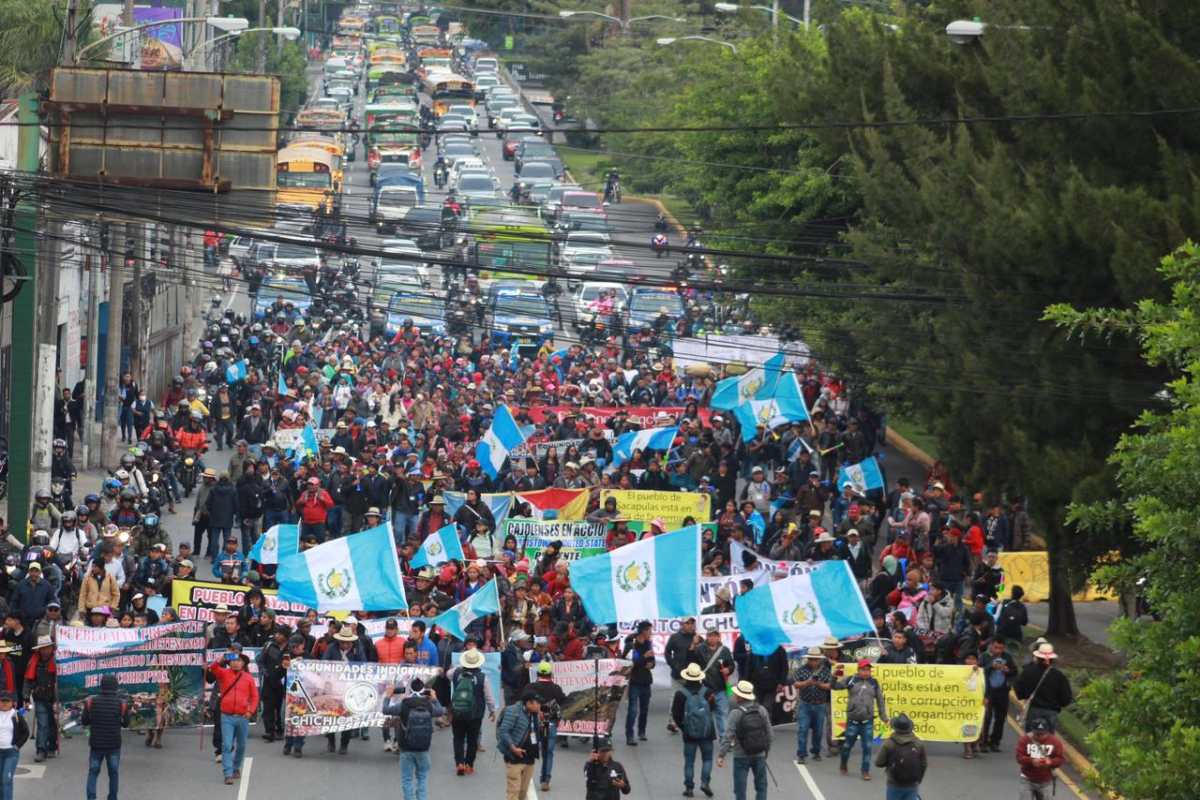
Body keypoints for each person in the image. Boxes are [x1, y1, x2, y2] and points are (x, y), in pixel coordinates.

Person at [382, 676, 446, 800]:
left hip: (406, 747)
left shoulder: (404, 704)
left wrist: (388, 696)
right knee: (422, 778)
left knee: (407, 779)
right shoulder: (428, 705)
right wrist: (434, 698)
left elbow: (385, 710)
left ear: (409, 690)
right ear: (424, 690)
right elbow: (440, 711)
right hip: (423, 747)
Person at [208, 649, 259, 785]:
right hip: (227, 717)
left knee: (241, 745)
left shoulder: (248, 678)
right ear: (229, 663)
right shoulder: (224, 673)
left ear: (243, 664)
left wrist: (250, 711)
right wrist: (221, 658)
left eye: (239, 661)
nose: (236, 663)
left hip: (243, 717)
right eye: (233, 660)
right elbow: (213, 668)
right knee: (227, 745)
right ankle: (228, 773)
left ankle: (236, 767)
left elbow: (255, 697)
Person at [833, 659, 889, 781]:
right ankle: (843, 764)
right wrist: (834, 676)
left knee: (867, 748)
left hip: (867, 722)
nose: (866, 672)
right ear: (858, 670)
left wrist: (883, 717)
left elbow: (880, 701)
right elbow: (835, 687)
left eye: (868, 670)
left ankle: (865, 771)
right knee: (847, 746)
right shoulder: (851, 680)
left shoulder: (874, 683)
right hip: (852, 722)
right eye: (863, 669)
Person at [717, 680, 771, 800]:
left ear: (740, 697)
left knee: (740, 789)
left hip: (741, 755)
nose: (734, 695)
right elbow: (769, 733)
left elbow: (728, 736)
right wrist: (766, 751)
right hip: (759, 754)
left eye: (736, 694)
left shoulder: (735, 713)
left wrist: (721, 755)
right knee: (761, 786)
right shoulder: (761, 710)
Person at [447, 647, 495, 776]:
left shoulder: (456, 673)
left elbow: (447, 674)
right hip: (475, 714)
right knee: (472, 739)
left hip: (457, 711)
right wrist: (492, 710)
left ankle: (459, 763)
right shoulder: (482, 677)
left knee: (458, 738)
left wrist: (458, 666)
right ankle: (469, 764)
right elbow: (489, 697)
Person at [671, 662, 716, 798]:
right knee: (707, 759)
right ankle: (705, 783)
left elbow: (676, 714)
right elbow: (713, 708)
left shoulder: (681, 694)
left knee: (689, 761)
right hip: (707, 732)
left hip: (689, 733)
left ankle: (689, 787)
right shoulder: (707, 692)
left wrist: (684, 727)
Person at [82, 674, 129, 800]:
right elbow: (126, 723)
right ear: (115, 687)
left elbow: (85, 721)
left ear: (101, 686)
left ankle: (91, 798)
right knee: (113, 773)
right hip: (113, 745)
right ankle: (112, 797)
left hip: (96, 744)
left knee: (93, 772)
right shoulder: (121, 703)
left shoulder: (91, 701)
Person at [1014, 643, 1073, 733]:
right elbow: (1066, 698)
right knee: (1047, 739)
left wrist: (1024, 696)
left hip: (1033, 710)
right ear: (1052, 659)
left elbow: (1018, 688)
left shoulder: (1028, 671)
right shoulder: (1059, 676)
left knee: (1031, 737)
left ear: (1037, 657)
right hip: (1051, 713)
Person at [527, 660, 567, 791]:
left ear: (538, 673)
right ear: (551, 674)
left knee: (528, 749)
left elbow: (522, 700)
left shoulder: (530, 687)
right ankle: (545, 780)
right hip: (547, 724)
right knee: (547, 752)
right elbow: (564, 702)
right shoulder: (556, 688)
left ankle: (524, 776)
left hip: (532, 723)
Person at [790, 646, 832, 764]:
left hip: (820, 704)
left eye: (815, 659)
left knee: (818, 731)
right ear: (808, 659)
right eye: (811, 659)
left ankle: (816, 751)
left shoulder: (825, 670)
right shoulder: (801, 669)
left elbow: (830, 686)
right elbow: (796, 684)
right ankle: (801, 754)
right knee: (802, 729)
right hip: (805, 704)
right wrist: (807, 682)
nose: (813, 661)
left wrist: (818, 684)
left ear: (819, 659)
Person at [497, 688, 541, 800]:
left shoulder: (535, 714)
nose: (539, 705)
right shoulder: (513, 711)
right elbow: (504, 731)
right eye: (537, 703)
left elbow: (537, 734)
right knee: (513, 791)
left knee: (523, 791)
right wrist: (513, 748)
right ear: (528, 703)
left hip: (530, 757)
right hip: (515, 757)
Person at [873, 713, 926, 800]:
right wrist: (918, 780)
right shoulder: (918, 744)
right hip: (912, 784)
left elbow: (878, 763)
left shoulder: (889, 743)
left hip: (894, 783)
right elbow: (924, 764)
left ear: (895, 728)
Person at [621, 621, 655, 746]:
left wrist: (651, 663)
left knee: (644, 709)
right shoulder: (631, 645)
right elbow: (628, 664)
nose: (651, 633)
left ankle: (642, 731)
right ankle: (629, 735)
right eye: (649, 630)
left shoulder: (648, 644)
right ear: (643, 631)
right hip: (634, 681)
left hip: (646, 681)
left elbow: (652, 661)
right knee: (633, 710)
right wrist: (643, 657)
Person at [23, 635, 56, 761]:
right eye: (42, 648)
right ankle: (41, 750)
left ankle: (52, 746)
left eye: (47, 647)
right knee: (43, 724)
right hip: (40, 697)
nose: (45, 650)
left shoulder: (58, 660)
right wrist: (26, 697)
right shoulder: (33, 661)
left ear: (51, 647)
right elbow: (27, 680)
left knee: (53, 723)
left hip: (55, 698)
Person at [1015, 717, 1065, 800]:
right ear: (1032, 731)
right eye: (1037, 734)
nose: (1040, 737)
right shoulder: (1025, 740)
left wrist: (1051, 762)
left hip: (1046, 781)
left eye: (1042, 734)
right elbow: (1019, 757)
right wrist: (1031, 761)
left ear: (1047, 732)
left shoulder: (1055, 742)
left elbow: (1060, 759)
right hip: (1027, 779)